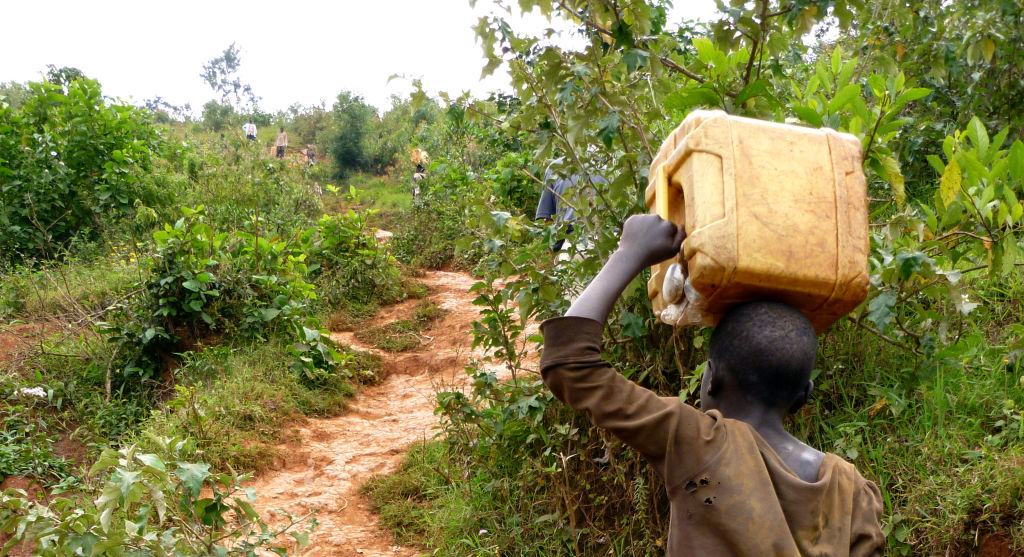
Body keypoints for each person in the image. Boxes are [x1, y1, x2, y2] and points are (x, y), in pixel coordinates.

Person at [539, 213, 885, 556]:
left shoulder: (697, 442)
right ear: (803, 397)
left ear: (711, 377)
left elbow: (570, 364)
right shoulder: (853, 490)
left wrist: (630, 252)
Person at [534, 159, 606, 254]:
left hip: (575, 242)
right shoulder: (604, 165)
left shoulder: (554, 167)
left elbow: (548, 224)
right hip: (610, 239)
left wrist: (555, 255)